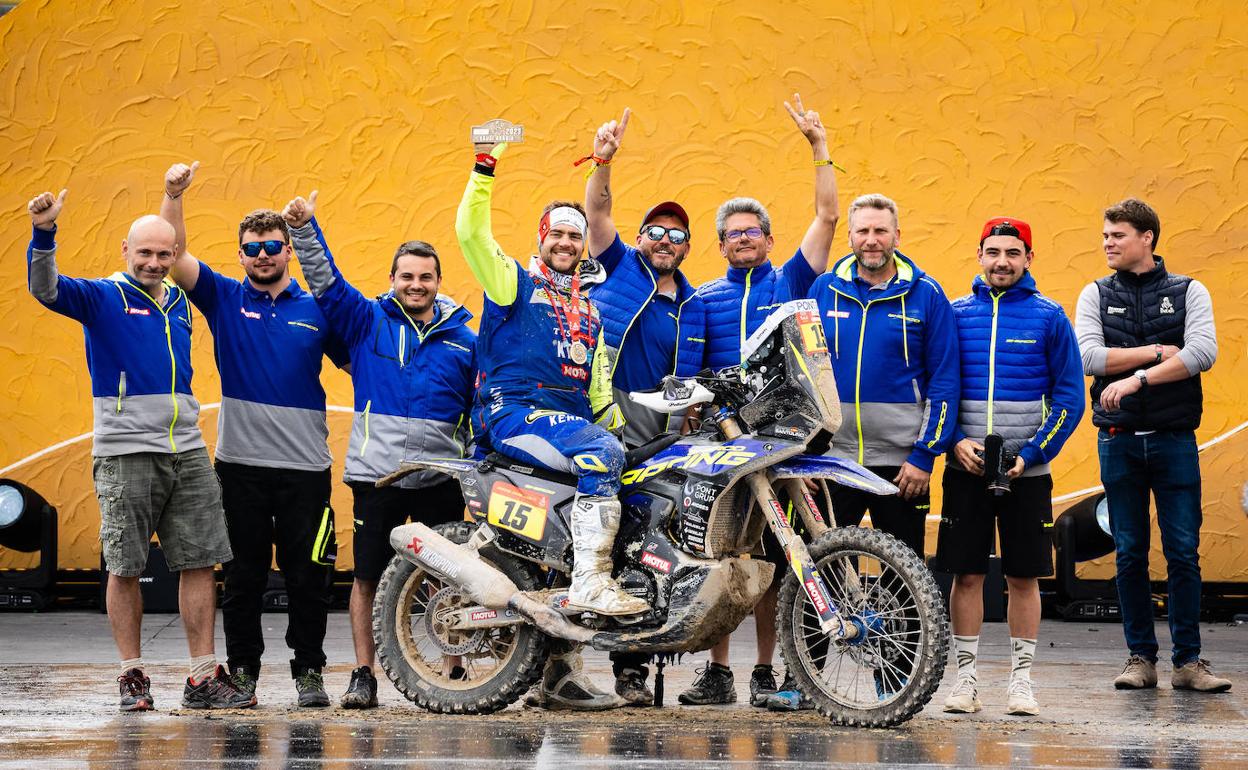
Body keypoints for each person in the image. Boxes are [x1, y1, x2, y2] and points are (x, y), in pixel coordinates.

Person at [24, 188, 251, 711]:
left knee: (200, 560)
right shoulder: (103, 295)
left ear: (174, 257)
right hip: (125, 451)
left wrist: (176, 197)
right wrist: (44, 232)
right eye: (144, 252)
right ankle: (131, 674)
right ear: (125, 250)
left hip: (187, 449)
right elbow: (45, 289)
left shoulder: (178, 300)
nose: (153, 262)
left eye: (163, 254)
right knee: (124, 565)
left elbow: (178, 240)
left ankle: (201, 676)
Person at [456, 135, 638, 710]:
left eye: (574, 234)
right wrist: (486, 165)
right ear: (541, 239)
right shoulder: (513, 282)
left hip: (570, 424)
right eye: (556, 232)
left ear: (584, 245)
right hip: (513, 416)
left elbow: (600, 393)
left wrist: (638, 436)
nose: (565, 241)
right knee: (602, 454)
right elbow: (470, 233)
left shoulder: (589, 307)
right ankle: (589, 586)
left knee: (623, 467)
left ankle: (559, 674)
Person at [158, 162, 349, 707]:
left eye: (272, 246)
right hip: (238, 468)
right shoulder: (221, 298)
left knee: (309, 578)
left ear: (288, 250)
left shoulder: (318, 310)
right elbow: (173, 254)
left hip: (307, 471)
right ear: (240, 255)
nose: (263, 255)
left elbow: (363, 362)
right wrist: (173, 195)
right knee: (242, 578)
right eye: (253, 248)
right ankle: (242, 673)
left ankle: (309, 673)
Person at [283, 190, 479, 708]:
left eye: (426, 277)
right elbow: (325, 283)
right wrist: (305, 229)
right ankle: (363, 674)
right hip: (378, 476)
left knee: (448, 577)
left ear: (438, 282)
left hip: (441, 475)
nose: (416, 284)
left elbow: (479, 406)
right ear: (393, 279)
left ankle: (453, 668)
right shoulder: (366, 320)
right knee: (366, 577)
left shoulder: (465, 339)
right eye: (407, 276)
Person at [682, 94, 840, 709]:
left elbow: (827, 219)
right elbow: (692, 369)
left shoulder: (791, 279)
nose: (741, 240)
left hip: (784, 439)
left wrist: (818, 149)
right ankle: (719, 672)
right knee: (723, 557)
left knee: (776, 561)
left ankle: (767, 671)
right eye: (731, 235)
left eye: (752, 232)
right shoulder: (702, 298)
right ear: (720, 245)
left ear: (770, 239)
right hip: (722, 441)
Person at [793, 193, 960, 707]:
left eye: (880, 231)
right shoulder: (823, 290)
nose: (871, 240)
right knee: (814, 569)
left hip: (900, 466)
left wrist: (925, 456)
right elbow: (800, 371)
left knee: (902, 572)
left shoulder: (928, 295)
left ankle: (897, 683)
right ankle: (802, 678)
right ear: (850, 238)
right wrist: (801, 453)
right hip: (831, 462)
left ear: (897, 236)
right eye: (862, 231)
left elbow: (945, 381)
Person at [1075, 198, 1230, 693]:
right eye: (1105, 236)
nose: (1107, 244)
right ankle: (1140, 658)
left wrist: (1139, 377)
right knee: (1129, 553)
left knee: (1183, 552)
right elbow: (1089, 358)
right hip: (1117, 441)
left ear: (1147, 237)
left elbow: (1202, 352)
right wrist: (1159, 352)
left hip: (1174, 440)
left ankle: (1189, 663)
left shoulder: (1189, 291)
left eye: (1116, 236)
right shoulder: (1095, 293)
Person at [579, 109, 706, 705]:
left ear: (687, 247)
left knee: (651, 541)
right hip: (610, 416)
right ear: (640, 239)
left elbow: (702, 372)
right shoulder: (619, 265)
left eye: (676, 234)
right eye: (655, 231)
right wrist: (603, 159)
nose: (664, 241)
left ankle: (635, 662)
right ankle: (585, 664)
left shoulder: (696, 303)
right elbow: (598, 212)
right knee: (606, 534)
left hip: (669, 427)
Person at [937, 217, 1084, 717]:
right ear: (979, 255)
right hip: (965, 470)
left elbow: (1069, 400)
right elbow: (939, 390)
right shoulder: (954, 314)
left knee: (1024, 578)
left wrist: (1032, 454)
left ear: (1028, 259)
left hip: (1028, 474)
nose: (1002, 261)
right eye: (993, 251)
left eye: (1013, 253)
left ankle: (1021, 683)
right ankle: (965, 681)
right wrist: (953, 442)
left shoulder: (1051, 317)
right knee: (968, 575)